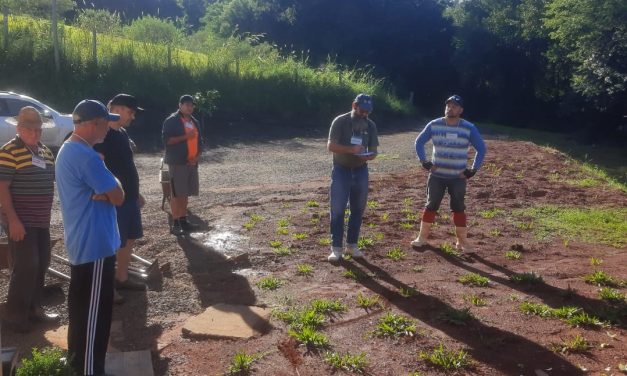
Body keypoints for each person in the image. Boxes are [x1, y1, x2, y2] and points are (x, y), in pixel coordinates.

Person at [56, 99, 124, 376]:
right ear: (93, 123)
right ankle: (88, 370)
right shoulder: (85, 156)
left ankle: (78, 365)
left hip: (85, 244)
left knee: (83, 312)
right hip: (94, 246)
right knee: (94, 318)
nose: (109, 127)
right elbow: (119, 196)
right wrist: (110, 188)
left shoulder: (72, 150)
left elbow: (113, 192)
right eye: (106, 122)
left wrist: (107, 189)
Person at [0, 106, 58, 333]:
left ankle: (35, 309)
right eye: (29, 128)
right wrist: (12, 220)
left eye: (38, 129)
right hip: (21, 220)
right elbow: (2, 188)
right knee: (26, 265)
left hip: (41, 219)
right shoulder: (9, 151)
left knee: (42, 263)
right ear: (19, 128)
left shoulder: (44, 151)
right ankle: (14, 316)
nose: (34, 133)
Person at [412, 95, 486, 251]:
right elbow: (418, 142)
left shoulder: (468, 127)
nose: (449, 108)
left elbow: (481, 149)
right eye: (448, 105)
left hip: (457, 177)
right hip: (437, 176)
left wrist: (472, 170)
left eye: (454, 106)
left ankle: (462, 242)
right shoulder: (434, 124)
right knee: (431, 205)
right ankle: (422, 238)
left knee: (459, 207)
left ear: (461, 110)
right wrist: (424, 162)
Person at [94, 94, 146, 298]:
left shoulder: (122, 133)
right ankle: (108, 289)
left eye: (133, 113)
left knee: (129, 240)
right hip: (114, 200)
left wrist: (135, 192)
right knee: (112, 244)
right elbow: (97, 166)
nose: (132, 116)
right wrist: (104, 193)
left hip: (129, 198)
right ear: (114, 108)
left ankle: (121, 278)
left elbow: (125, 166)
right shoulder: (103, 134)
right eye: (129, 111)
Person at [327, 94, 379, 262]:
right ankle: (336, 249)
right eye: (362, 110)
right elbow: (331, 146)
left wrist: (369, 157)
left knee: (358, 209)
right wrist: (352, 150)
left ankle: (352, 245)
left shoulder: (370, 125)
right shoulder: (340, 121)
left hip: (361, 170)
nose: (364, 114)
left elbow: (374, 150)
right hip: (341, 170)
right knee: (338, 210)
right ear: (354, 105)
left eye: (368, 111)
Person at [162, 94, 202, 235]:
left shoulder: (195, 121)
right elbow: (167, 141)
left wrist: (196, 157)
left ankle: (184, 221)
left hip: (192, 163)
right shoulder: (171, 121)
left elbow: (200, 142)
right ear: (180, 105)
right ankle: (175, 223)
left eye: (191, 105)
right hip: (177, 163)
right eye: (186, 104)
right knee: (176, 193)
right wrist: (186, 137)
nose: (189, 107)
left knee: (184, 193)